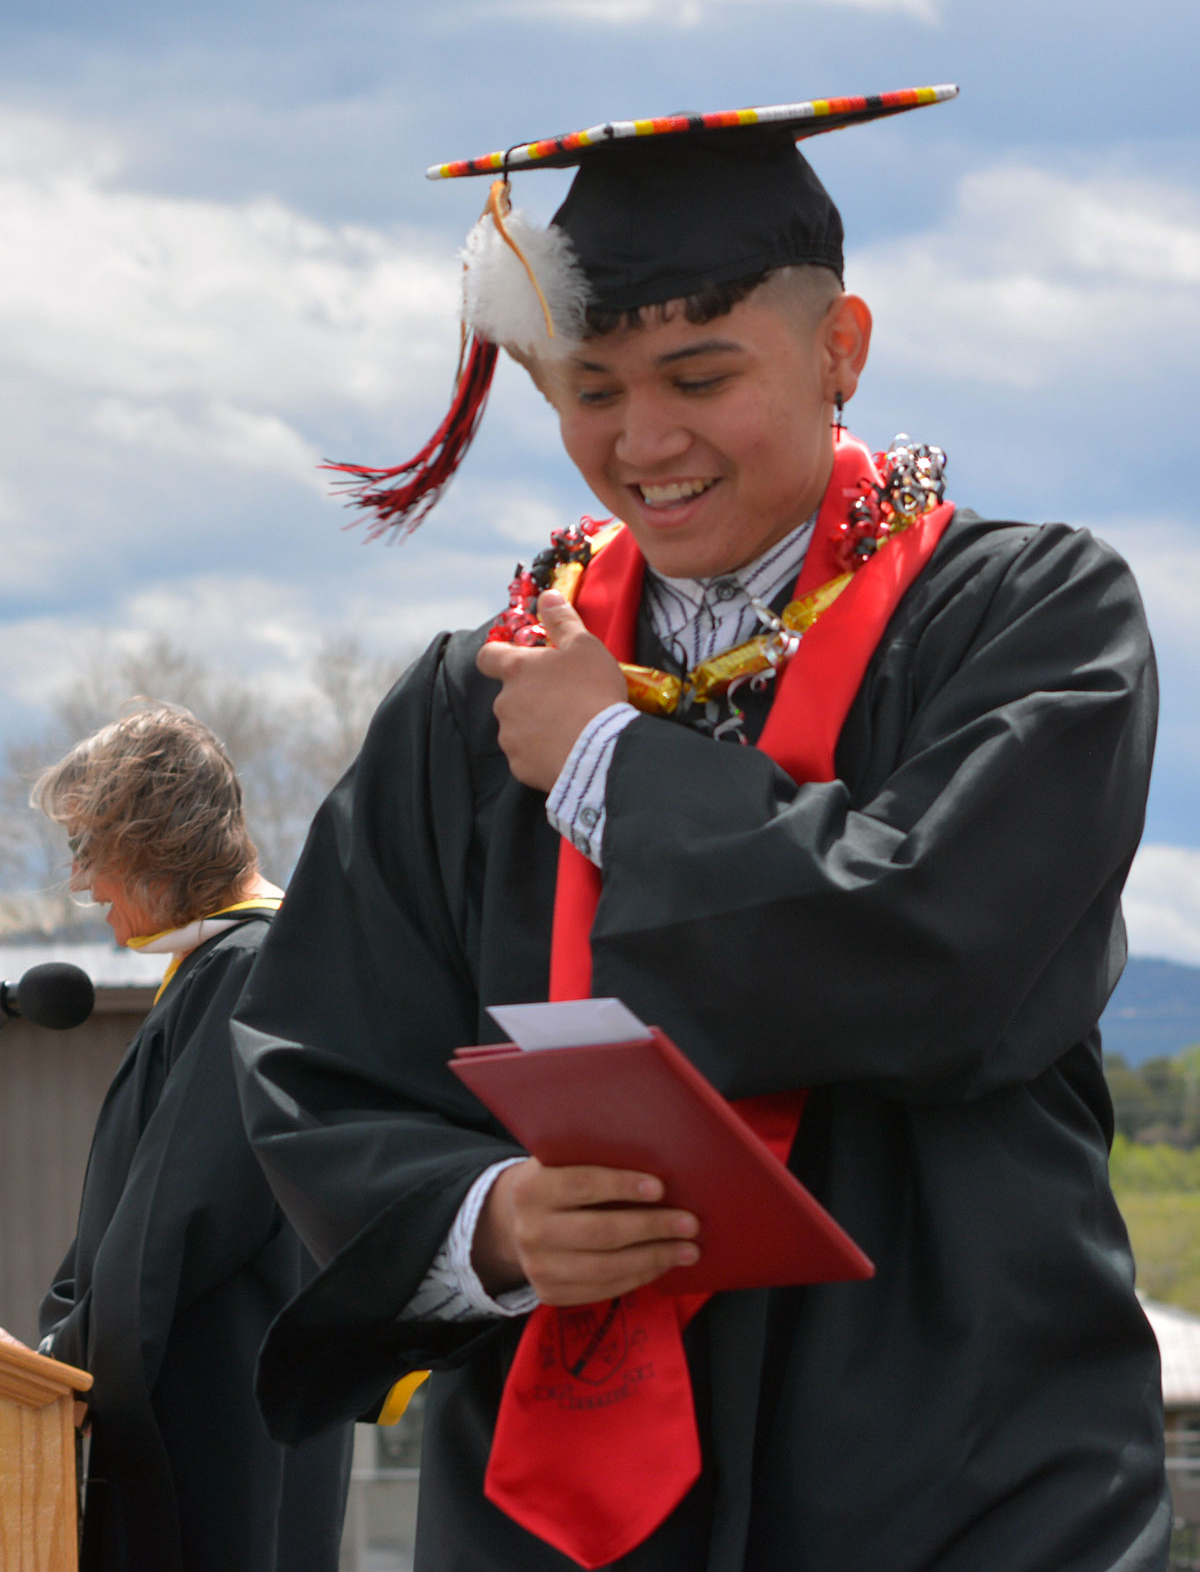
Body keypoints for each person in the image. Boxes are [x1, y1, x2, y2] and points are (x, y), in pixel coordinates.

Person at [233, 89, 1169, 1571]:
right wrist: (492, 1221)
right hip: (561, 1520)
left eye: (701, 373)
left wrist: (611, 762)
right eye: (592, 387)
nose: (645, 437)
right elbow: (319, 1061)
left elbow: (932, 958)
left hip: (967, 1481)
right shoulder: (472, 704)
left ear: (839, 349)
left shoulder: (1029, 620)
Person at [33, 702, 353, 1572]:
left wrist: (65, 1355)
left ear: (153, 844)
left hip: (216, 1416)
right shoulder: (242, 967)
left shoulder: (250, 969)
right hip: (229, 1403)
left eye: (88, 851)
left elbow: (178, 1213)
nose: (82, 885)